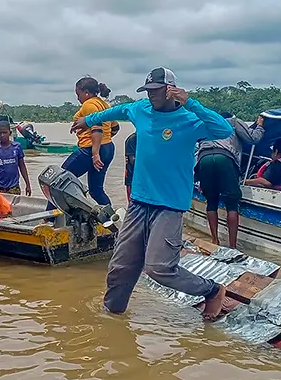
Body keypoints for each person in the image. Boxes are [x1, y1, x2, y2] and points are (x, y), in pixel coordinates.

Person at [71, 67, 233, 319]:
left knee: (159, 268)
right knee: (120, 268)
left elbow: (224, 130)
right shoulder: (140, 110)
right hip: (138, 203)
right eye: (148, 91)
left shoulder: (190, 120)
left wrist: (190, 102)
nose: (151, 96)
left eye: (156, 91)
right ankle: (112, 320)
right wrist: (87, 121)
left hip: (169, 206)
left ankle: (211, 290)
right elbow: (118, 110)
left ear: (171, 90)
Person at [194, 114, 264, 248]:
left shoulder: (207, 123)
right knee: (232, 203)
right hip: (225, 157)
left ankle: (215, 240)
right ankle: (232, 245)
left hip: (204, 158)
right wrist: (260, 126)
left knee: (211, 201)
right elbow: (253, 138)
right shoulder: (234, 122)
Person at [58, 77, 116, 207]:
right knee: (96, 191)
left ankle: (49, 218)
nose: (78, 98)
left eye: (78, 94)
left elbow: (97, 130)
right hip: (108, 148)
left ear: (86, 92)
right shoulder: (104, 104)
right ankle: (112, 219)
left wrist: (95, 154)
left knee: (58, 180)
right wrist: (105, 141)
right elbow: (115, 127)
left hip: (91, 150)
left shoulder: (89, 105)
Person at [0, 120, 31, 195]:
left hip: (13, 187)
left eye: (5, 132)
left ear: (10, 133)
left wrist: (28, 184)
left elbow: (22, 166)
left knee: (14, 206)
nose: (2, 135)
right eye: (0, 133)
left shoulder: (17, 147)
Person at [124, 132, 137, 202]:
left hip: (144, 179)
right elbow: (132, 160)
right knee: (132, 202)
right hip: (131, 177)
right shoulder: (132, 139)